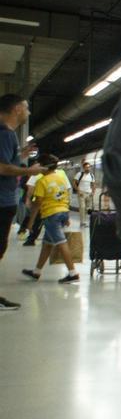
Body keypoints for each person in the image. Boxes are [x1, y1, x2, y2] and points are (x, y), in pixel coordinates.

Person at [0, 94, 44, 309]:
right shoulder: (5, 134)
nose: (28, 112)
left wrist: (20, 154)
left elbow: (6, 161)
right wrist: (31, 170)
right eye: (26, 108)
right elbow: (2, 168)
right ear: (16, 109)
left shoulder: (7, 136)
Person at [21, 154, 80, 284]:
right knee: (47, 244)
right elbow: (66, 197)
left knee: (61, 243)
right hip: (62, 212)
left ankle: (73, 273)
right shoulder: (61, 179)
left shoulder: (42, 181)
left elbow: (37, 205)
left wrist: (30, 224)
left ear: (43, 167)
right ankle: (36, 272)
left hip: (51, 215)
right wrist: (67, 215)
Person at [74, 160, 96, 227]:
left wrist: (93, 192)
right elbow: (74, 183)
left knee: (87, 208)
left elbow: (93, 184)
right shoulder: (79, 174)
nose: (88, 168)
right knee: (82, 207)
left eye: (89, 167)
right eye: (86, 167)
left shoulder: (92, 175)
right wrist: (79, 191)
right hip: (81, 193)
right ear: (84, 168)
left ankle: (85, 221)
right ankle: (82, 222)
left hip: (89, 193)